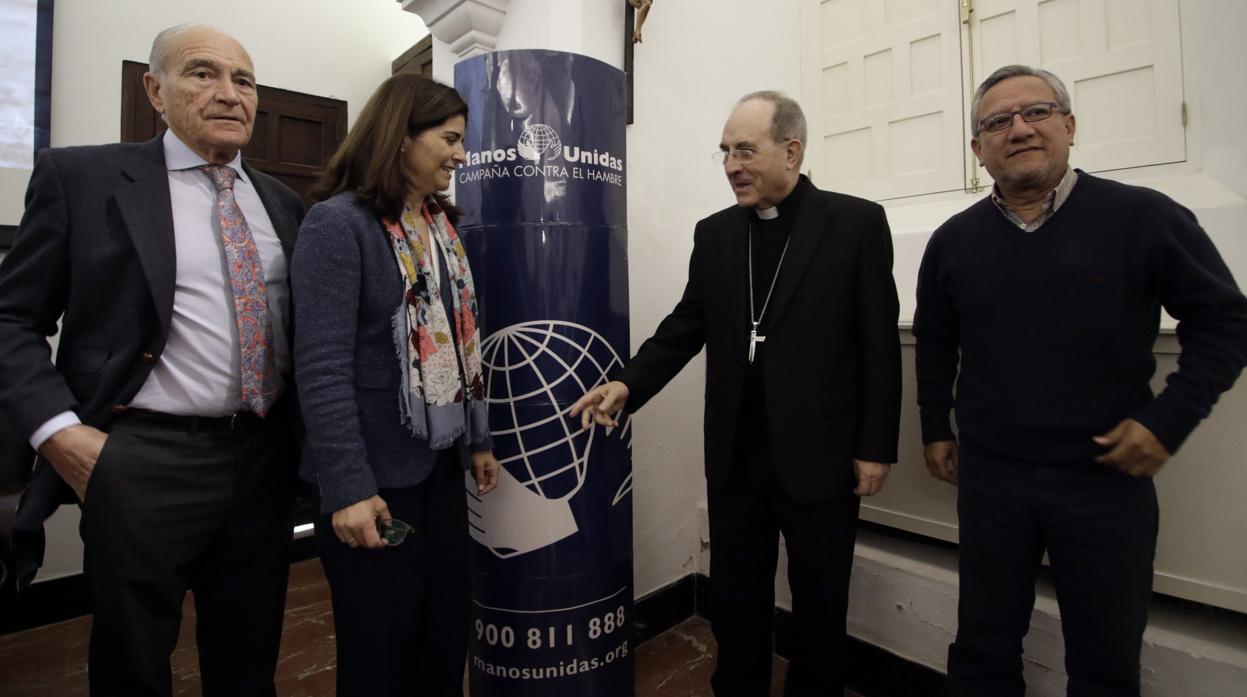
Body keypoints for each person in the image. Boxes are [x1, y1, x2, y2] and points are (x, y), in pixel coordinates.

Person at [913, 64, 1247, 697]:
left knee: (1104, 663)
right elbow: (935, 341)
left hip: (1105, 482)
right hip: (991, 482)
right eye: (996, 122)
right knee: (982, 649)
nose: (1018, 129)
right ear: (978, 149)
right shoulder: (953, 242)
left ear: (1069, 126)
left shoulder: (1144, 217)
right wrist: (936, 425)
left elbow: (1226, 321)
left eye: (1036, 113)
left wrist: (1168, 421)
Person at [0, 24, 304, 696]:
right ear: (154, 90)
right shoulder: (80, 178)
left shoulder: (284, 204)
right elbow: (10, 319)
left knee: (249, 657)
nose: (229, 95)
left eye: (244, 80)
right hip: (141, 459)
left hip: (262, 461)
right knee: (132, 663)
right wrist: (61, 434)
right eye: (202, 73)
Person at [571, 91, 901, 696]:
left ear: (792, 151)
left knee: (821, 602)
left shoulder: (855, 223)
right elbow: (684, 326)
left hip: (820, 454)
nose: (731, 166)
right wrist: (625, 383)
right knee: (737, 599)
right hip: (736, 456)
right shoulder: (717, 233)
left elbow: (878, 345)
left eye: (745, 150)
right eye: (724, 152)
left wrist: (875, 446)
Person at [290, 73, 501, 697]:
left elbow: (463, 348)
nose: (461, 154)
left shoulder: (441, 228)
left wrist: (477, 441)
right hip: (373, 480)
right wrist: (349, 488)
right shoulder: (338, 225)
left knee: (442, 637)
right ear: (400, 137)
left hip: (436, 471)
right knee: (381, 651)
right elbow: (322, 367)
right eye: (450, 138)